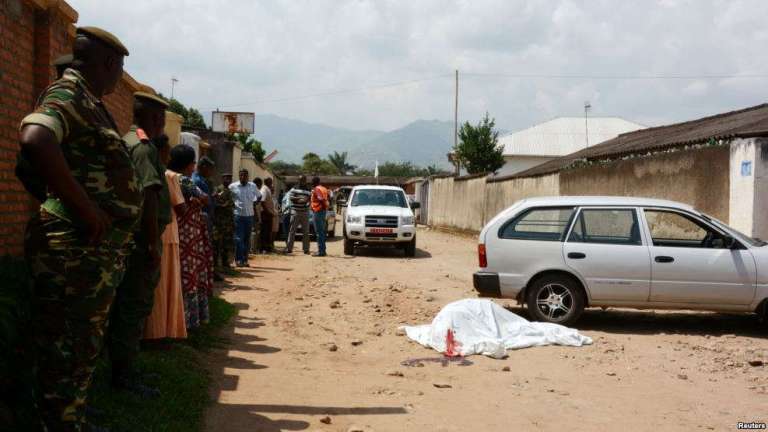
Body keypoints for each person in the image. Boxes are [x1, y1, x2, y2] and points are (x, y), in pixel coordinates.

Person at [19, 26, 137, 431]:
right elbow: (34, 141)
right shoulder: (68, 94)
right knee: (67, 345)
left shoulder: (91, 101)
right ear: (109, 64)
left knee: (80, 343)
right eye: (119, 69)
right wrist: (80, 210)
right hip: (73, 251)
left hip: (88, 253)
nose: (118, 78)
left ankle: (72, 417)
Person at [108, 90, 170, 399]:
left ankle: (123, 369)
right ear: (153, 117)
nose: (161, 123)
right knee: (134, 307)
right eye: (159, 117)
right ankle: (124, 376)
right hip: (140, 242)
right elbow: (148, 197)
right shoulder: (144, 149)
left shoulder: (128, 140)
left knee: (126, 307)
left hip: (128, 240)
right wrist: (150, 244)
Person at [143, 135, 187, 341]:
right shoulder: (169, 177)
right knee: (166, 284)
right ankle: (162, 332)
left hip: (155, 232)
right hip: (168, 234)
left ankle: (153, 331)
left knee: (156, 285)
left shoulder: (150, 171)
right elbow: (181, 206)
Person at [168, 145, 212, 330]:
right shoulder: (183, 180)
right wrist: (197, 201)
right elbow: (204, 198)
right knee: (190, 274)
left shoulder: (168, 176)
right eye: (193, 162)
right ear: (188, 164)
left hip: (177, 231)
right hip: (188, 234)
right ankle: (189, 320)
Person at [229, 169, 260, 267]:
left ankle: (245, 260)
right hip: (238, 216)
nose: (243, 177)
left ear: (248, 176)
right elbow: (228, 197)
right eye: (241, 175)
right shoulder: (233, 186)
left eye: (245, 176)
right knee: (239, 239)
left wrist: (254, 204)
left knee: (247, 239)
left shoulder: (253, 186)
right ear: (239, 176)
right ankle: (238, 260)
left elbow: (259, 196)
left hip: (249, 216)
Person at [213, 173, 235, 272]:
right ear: (222, 179)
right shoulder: (217, 190)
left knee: (227, 243)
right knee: (217, 243)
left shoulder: (230, 192)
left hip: (228, 222)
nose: (228, 180)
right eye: (226, 178)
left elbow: (232, 205)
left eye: (230, 178)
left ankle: (225, 263)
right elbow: (215, 203)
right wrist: (223, 205)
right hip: (219, 222)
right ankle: (216, 265)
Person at [284, 175, 311, 255]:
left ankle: (306, 249)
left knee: (306, 231)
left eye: (303, 180)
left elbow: (310, 199)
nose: (302, 181)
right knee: (292, 231)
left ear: (305, 181)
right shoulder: (294, 188)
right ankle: (289, 248)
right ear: (298, 180)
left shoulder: (308, 189)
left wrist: (306, 201)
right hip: (295, 211)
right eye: (301, 180)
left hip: (305, 212)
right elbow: (291, 198)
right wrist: (300, 199)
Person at [311, 176, 329, 257]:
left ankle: (321, 251)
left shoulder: (316, 189)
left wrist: (321, 206)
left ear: (314, 182)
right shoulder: (324, 188)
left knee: (319, 232)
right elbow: (327, 199)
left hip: (318, 211)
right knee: (322, 231)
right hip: (323, 211)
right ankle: (323, 250)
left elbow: (320, 198)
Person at [260, 177, 278, 253]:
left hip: (269, 214)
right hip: (265, 214)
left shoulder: (267, 189)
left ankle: (267, 248)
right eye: (270, 181)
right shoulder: (264, 189)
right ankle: (263, 248)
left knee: (268, 232)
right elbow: (262, 201)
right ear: (267, 182)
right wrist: (268, 212)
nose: (272, 183)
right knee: (265, 232)